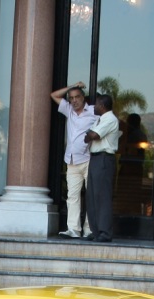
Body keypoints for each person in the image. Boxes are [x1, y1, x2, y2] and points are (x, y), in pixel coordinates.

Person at [50, 82, 96, 239]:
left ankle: (89, 229)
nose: (74, 100)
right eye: (71, 98)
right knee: (72, 196)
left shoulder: (93, 111)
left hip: (88, 159)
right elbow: (54, 95)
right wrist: (72, 86)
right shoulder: (68, 110)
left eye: (77, 97)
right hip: (71, 160)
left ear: (83, 98)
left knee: (91, 195)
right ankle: (74, 229)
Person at [84, 93, 121, 243]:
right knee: (92, 196)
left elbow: (94, 135)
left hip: (104, 158)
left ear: (103, 106)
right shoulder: (100, 119)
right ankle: (96, 231)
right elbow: (88, 136)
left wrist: (90, 135)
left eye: (97, 104)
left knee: (102, 197)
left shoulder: (110, 119)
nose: (94, 107)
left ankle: (105, 233)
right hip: (95, 158)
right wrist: (90, 135)